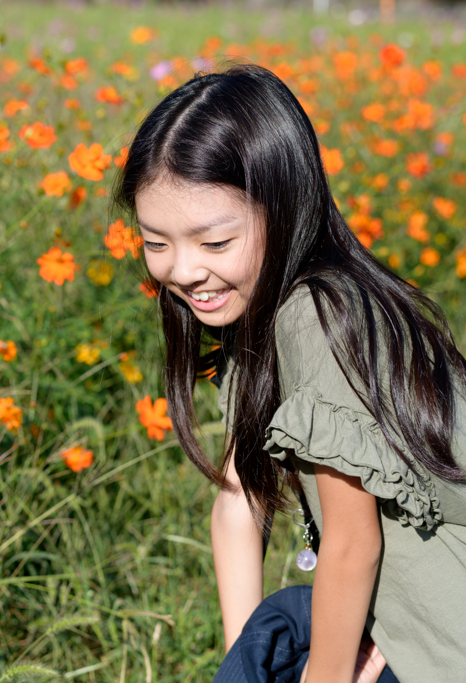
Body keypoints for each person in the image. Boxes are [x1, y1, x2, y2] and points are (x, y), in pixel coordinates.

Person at [110, 63, 466, 683]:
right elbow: (237, 501)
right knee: (273, 630)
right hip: (382, 616)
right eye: (156, 242)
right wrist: (243, 664)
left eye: (214, 243)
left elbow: (354, 543)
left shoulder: (319, 315)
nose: (184, 270)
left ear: (286, 207)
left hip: (438, 632)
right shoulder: (258, 314)